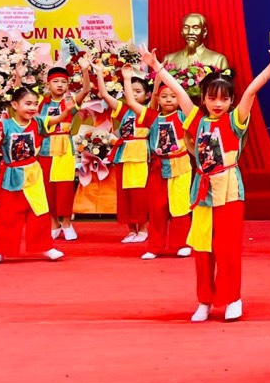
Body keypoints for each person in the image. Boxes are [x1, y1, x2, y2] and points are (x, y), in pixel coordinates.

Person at [155, 47, 270, 321]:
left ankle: (232, 298)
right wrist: (156, 66)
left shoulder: (234, 121)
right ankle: (204, 301)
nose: (218, 103)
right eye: (212, 98)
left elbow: (251, 92)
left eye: (224, 98)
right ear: (203, 99)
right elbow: (179, 91)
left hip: (229, 191)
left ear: (231, 100)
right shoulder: (196, 120)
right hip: (202, 191)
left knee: (227, 249)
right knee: (203, 249)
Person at [0, 85, 65, 267]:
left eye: (35, 104)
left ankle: (46, 247)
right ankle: (0, 252)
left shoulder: (39, 123)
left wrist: (73, 104)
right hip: (12, 176)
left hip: (33, 174)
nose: (32, 108)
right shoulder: (4, 125)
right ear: (15, 105)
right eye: (28, 104)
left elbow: (60, 118)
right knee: (7, 217)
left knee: (39, 212)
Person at [131, 48, 196, 261]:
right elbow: (131, 103)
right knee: (157, 208)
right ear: (157, 99)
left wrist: (159, 70)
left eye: (173, 96)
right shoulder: (152, 117)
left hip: (180, 166)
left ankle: (182, 244)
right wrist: (128, 78)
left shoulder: (184, 116)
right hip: (158, 167)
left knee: (180, 206)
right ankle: (155, 246)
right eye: (164, 97)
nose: (169, 100)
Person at [93, 64, 151, 244]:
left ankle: (143, 229)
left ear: (147, 95)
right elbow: (104, 94)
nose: (133, 95)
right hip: (123, 156)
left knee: (140, 194)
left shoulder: (148, 112)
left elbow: (151, 95)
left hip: (140, 156)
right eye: (130, 91)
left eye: (138, 91)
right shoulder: (123, 110)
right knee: (125, 195)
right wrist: (99, 73)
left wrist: (127, 78)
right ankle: (131, 230)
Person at [38, 58, 92, 242]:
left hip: (64, 150)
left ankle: (67, 224)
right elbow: (20, 97)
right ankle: (54, 224)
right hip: (45, 149)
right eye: (55, 81)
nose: (60, 85)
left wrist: (85, 71)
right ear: (48, 84)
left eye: (63, 82)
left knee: (65, 188)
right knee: (48, 189)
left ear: (68, 85)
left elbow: (85, 90)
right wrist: (19, 78)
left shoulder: (70, 102)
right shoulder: (41, 103)